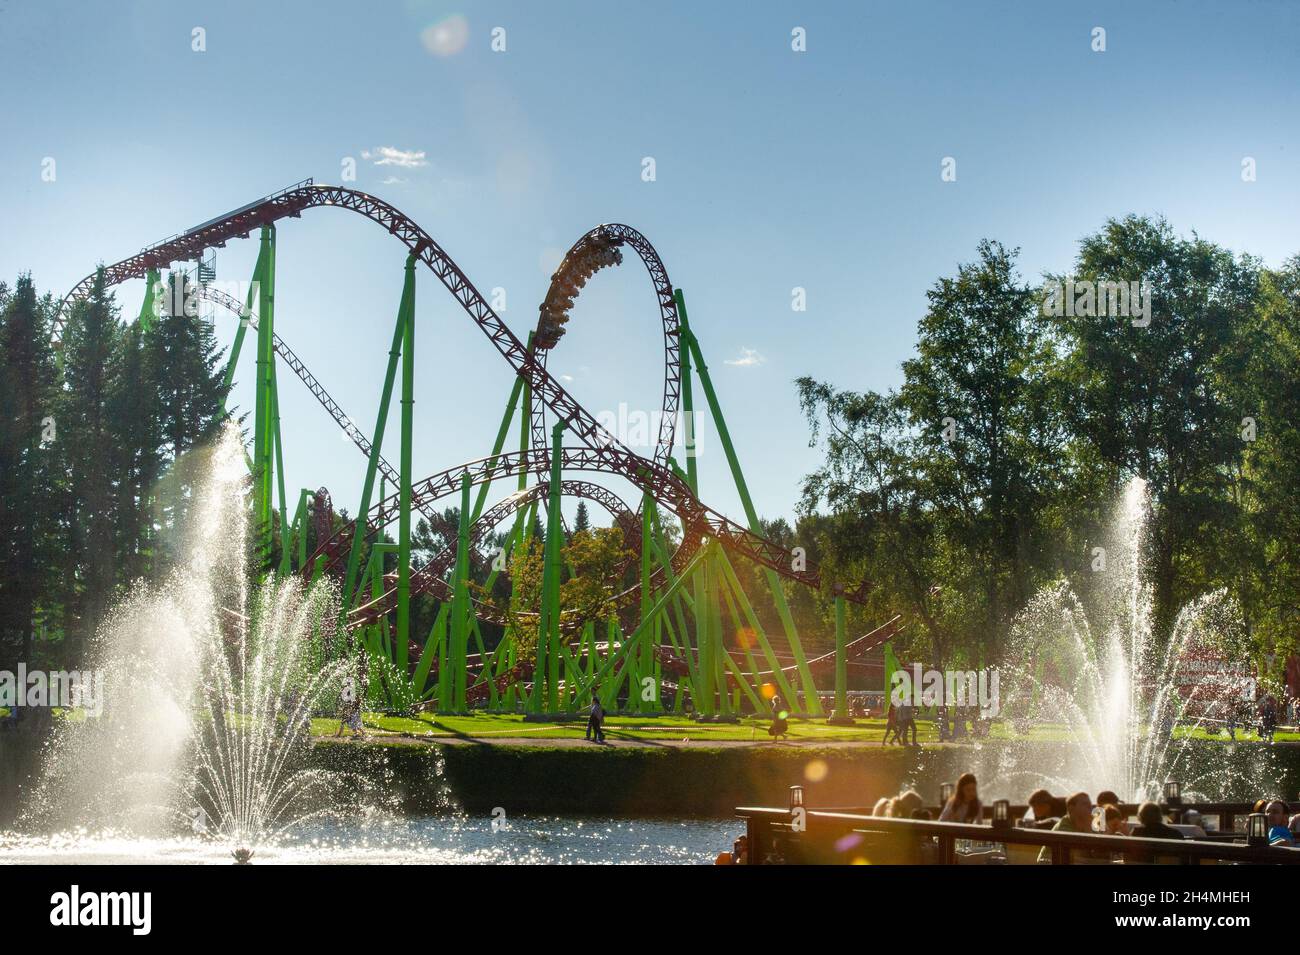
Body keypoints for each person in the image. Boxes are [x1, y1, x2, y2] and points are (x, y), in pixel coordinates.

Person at [1037, 792, 1093, 863]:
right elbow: (1080, 858)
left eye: (1090, 804)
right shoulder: (1063, 829)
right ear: (1071, 808)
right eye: (1085, 804)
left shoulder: (1087, 824)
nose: (1090, 807)